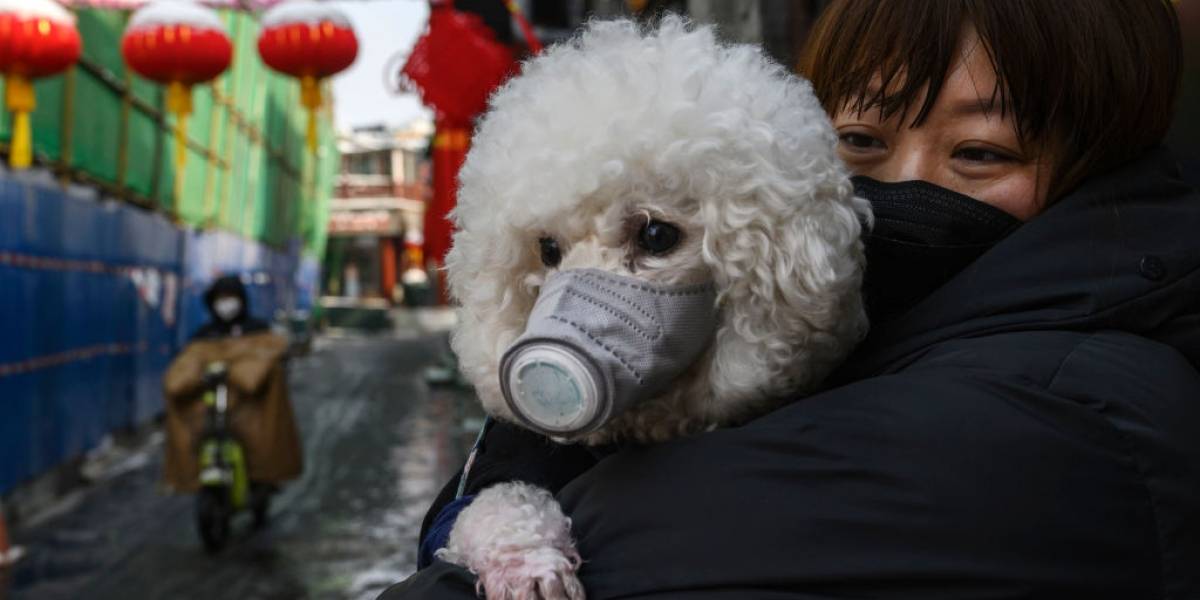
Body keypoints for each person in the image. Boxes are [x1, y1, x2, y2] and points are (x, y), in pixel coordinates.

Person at [385, 0, 1200, 597]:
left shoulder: (1063, 411)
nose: (908, 183)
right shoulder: (877, 337)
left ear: (1101, 160)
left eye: (980, 151)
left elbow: (659, 550)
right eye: (861, 141)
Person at [162, 275, 302, 505]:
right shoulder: (204, 335)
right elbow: (185, 369)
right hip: (213, 403)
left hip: (248, 404)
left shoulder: (257, 330)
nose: (226, 304)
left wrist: (243, 372)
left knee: (261, 436)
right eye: (221, 299)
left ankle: (262, 481)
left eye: (231, 298)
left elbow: (265, 360)